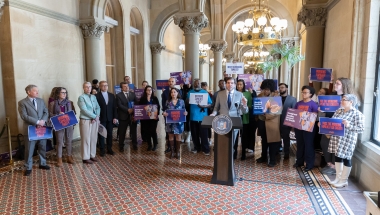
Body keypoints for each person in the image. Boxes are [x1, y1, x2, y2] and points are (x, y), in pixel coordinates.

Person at [326, 94, 364, 188]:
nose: (342, 101)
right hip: (337, 138)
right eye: (342, 99)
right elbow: (332, 122)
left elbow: (361, 129)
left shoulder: (357, 114)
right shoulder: (339, 111)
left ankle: (344, 180)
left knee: (346, 158)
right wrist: (324, 126)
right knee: (337, 157)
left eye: (344, 100)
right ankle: (338, 178)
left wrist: (348, 125)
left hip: (348, 139)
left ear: (351, 102)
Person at [320, 77, 356, 175]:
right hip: (328, 123)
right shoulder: (332, 95)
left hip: (339, 126)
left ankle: (335, 167)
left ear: (344, 86)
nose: (335, 85)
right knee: (325, 143)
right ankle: (329, 163)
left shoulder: (349, 98)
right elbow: (327, 108)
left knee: (336, 146)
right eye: (335, 83)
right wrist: (323, 110)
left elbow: (351, 113)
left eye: (338, 83)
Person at [18, 85, 50, 176]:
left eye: (38, 91)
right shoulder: (22, 102)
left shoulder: (40, 100)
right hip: (30, 129)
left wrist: (43, 121)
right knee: (29, 149)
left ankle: (42, 163)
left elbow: (45, 112)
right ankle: (28, 167)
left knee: (42, 146)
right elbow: (24, 116)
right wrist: (37, 122)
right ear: (28, 92)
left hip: (42, 128)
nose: (37, 92)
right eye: (35, 91)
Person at [210, 77, 249, 147]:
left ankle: (231, 157)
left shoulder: (239, 94)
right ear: (225, 84)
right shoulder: (220, 94)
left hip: (234, 121)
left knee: (231, 144)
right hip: (223, 121)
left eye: (232, 83)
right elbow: (216, 107)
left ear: (234, 85)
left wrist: (245, 105)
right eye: (228, 83)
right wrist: (213, 113)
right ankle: (223, 157)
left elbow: (244, 111)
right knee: (223, 144)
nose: (230, 85)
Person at [255, 80, 282, 167]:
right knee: (264, 140)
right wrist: (257, 113)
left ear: (271, 89)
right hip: (261, 121)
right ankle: (263, 157)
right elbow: (257, 107)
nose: (266, 91)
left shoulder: (276, 97)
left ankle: (272, 160)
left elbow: (277, 111)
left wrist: (266, 114)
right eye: (264, 89)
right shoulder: (259, 96)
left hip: (272, 122)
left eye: (267, 89)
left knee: (272, 142)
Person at [293, 86, 318, 171]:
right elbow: (295, 114)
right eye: (302, 92)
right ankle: (299, 161)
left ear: (310, 94)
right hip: (299, 128)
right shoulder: (298, 103)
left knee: (308, 145)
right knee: (300, 144)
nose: (303, 94)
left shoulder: (313, 104)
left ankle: (309, 164)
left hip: (309, 129)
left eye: (305, 92)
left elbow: (315, 116)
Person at [49, 87, 75, 167]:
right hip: (59, 124)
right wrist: (58, 115)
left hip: (69, 123)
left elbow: (73, 112)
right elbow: (50, 114)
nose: (64, 94)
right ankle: (59, 158)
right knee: (59, 142)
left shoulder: (69, 103)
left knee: (69, 141)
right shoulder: (53, 103)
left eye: (65, 92)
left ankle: (69, 156)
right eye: (62, 92)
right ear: (58, 94)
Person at [187, 79, 212, 155]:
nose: (197, 84)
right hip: (193, 116)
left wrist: (203, 106)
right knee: (194, 134)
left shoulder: (205, 93)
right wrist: (187, 100)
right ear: (193, 84)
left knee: (204, 134)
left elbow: (210, 104)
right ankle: (197, 147)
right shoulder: (190, 92)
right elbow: (187, 103)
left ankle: (206, 149)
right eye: (195, 83)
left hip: (203, 117)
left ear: (200, 84)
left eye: (198, 83)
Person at [78, 82, 101, 164]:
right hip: (85, 120)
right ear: (83, 88)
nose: (88, 88)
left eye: (89, 87)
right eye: (86, 87)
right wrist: (94, 116)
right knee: (86, 139)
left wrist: (97, 116)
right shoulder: (81, 97)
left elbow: (98, 107)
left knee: (93, 138)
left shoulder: (93, 97)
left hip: (94, 120)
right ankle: (85, 157)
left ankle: (92, 155)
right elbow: (84, 110)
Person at [163, 88, 188, 159]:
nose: (173, 93)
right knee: (170, 136)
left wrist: (186, 113)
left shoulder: (181, 101)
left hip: (179, 122)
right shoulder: (168, 101)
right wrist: (164, 113)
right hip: (170, 122)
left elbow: (184, 110)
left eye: (174, 92)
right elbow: (165, 111)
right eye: (171, 92)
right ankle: (172, 152)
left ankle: (178, 152)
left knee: (178, 136)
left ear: (177, 93)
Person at [95, 81, 118, 156]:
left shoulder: (111, 95)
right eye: (103, 85)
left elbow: (114, 107)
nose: (105, 87)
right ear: (100, 87)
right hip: (101, 118)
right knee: (101, 135)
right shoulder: (96, 96)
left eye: (106, 85)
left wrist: (115, 117)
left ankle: (109, 149)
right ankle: (102, 150)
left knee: (110, 134)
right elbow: (95, 108)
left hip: (110, 118)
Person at [162, 77, 182, 153]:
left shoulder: (179, 91)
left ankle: (177, 150)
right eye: (169, 81)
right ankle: (169, 147)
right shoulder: (165, 92)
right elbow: (164, 104)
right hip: (168, 116)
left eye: (172, 81)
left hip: (178, 118)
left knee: (177, 133)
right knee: (169, 132)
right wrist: (165, 112)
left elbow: (181, 104)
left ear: (175, 82)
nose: (171, 83)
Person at [116, 82, 138, 151]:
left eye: (127, 86)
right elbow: (119, 105)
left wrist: (133, 110)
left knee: (134, 131)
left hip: (132, 116)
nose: (127, 87)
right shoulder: (118, 95)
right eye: (125, 86)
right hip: (123, 116)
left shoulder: (132, 94)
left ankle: (134, 144)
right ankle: (121, 146)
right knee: (122, 132)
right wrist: (127, 110)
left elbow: (136, 103)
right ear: (121, 88)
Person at [139, 85, 160, 151]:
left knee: (153, 131)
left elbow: (158, 107)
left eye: (150, 90)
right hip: (145, 118)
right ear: (145, 91)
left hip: (153, 118)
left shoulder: (155, 98)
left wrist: (156, 114)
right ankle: (149, 145)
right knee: (147, 131)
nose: (149, 91)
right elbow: (140, 107)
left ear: (152, 91)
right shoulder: (142, 99)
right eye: (148, 90)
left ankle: (155, 144)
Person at [278, 83, 297, 159]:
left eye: (282, 87)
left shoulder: (292, 99)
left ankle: (286, 152)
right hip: (276, 121)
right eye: (280, 88)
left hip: (287, 121)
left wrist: (292, 124)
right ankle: (277, 150)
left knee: (286, 137)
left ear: (287, 88)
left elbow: (294, 111)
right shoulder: (276, 98)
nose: (281, 89)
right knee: (276, 137)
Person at [235, 79, 253, 160]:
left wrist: (243, 105)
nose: (239, 86)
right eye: (238, 84)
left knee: (244, 136)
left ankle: (243, 154)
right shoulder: (234, 93)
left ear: (243, 85)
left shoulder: (248, 94)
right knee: (235, 136)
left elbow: (250, 106)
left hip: (244, 117)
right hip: (235, 116)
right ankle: (234, 153)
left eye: (241, 84)